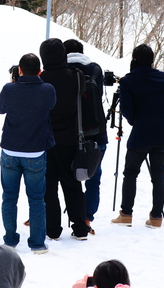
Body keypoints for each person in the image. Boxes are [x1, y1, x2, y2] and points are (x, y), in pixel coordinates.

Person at [112, 44, 164, 228]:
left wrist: (138, 120)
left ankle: (126, 214)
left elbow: (126, 109)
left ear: (134, 59)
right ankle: (156, 217)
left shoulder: (128, 81)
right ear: (152, 60)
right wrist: (160, 115)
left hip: (141, 135)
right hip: (162, 134)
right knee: (159, 175)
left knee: (130, 173)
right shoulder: (163, 78)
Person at [0, 53, 56, 254]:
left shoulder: (9, 89)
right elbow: (51, 105)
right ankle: (38, 243)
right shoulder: (47, 90)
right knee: (37, 198)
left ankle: (10, 240)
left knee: (9, 197)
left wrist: (13, 83)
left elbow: (0, 109)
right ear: (40, 71)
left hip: (10, 151)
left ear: (19, 70)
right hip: (35, 153)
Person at [39, 38, 90, 240]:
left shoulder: (41, 80)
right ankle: (80, 228)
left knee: (49, 187)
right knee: (73, 185)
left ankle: (52, 229)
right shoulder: (76, 77)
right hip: (71, 139)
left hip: (46, 140)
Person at [64, 38, 106, 234]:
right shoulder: (96, 70)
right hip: (96, 135)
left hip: (66, 133)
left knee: (58, 176)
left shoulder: (59, 71)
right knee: (93, 178)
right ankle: (87, 218)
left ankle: (48, 215)